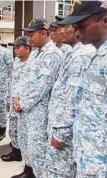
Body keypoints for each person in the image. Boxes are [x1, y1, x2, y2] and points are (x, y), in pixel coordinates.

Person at [59, 1, 107, 177]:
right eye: (75, 26)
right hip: (88, 153)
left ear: (105, 20)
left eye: (82, 25)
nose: (76, 31)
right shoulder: (96, 54)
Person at [12, 18, 64, 178]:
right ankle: (28, 172)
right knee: (25, 144)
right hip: (25, 110)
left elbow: (41, 86)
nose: (29, 38)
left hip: (39, 113)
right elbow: (24, 79)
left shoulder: (53, 54)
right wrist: (16, 98)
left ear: (44, 33)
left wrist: (22, 103)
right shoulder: (35, 54)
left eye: (31, 34)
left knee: (37, 151)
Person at [46, 15, 96, 178]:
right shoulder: (73, 53)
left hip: (65, 133)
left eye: (67, 27)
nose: (62, 31)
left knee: (60, 172)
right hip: (60, 126)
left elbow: (74, 98)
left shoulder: (82, 55)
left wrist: (61, 133)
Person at [1, 36, 31, 164]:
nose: (15, 50)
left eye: (18, 47)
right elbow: (12, 82)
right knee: (13, 129)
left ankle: (27, 159)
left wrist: (20, 102)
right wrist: (10, 100)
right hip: (14, 101)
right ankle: (16, 151)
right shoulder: (16, 62)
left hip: (25, 105)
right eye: (15, 48)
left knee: (25, 133)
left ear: (27, 48)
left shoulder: (34, 63)